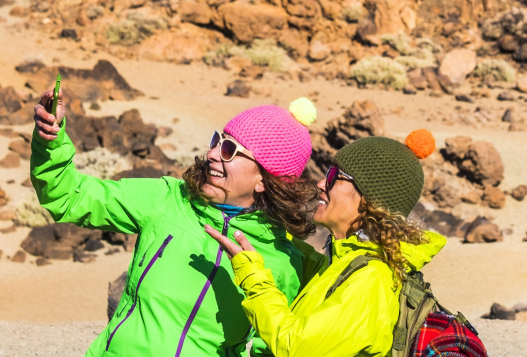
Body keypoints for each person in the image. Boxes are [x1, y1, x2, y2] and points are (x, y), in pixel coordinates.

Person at [31, 88, 320, 356]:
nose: (211, 155)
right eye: (217, 142)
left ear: (263, 180)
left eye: (229, 150)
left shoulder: (281, 261)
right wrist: (50, 143)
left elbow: (267, 347)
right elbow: (71, 196)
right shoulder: (168, 199)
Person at [207, 129, 447, 357]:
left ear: (368, 199)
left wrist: (253, 276)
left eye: (334, 176)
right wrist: (269, 230)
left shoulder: (372, 279)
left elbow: (294, 346)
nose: (321, 184)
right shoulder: (343, 263)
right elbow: (304, 261)